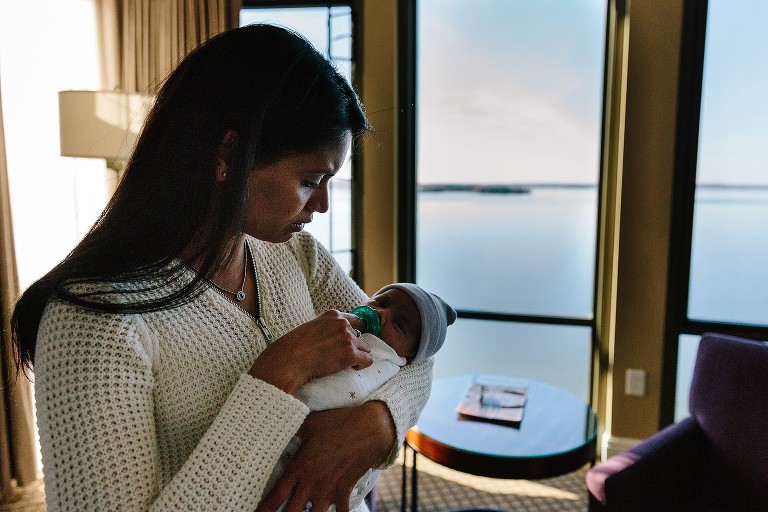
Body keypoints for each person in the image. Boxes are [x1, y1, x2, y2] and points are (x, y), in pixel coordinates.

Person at [10, 24, 433, 512]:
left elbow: (417, 346)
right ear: (228, 154)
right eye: (310, 180)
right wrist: (278, 375)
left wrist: (379, 421)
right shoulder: (93, 323)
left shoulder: (298, 255)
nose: (322, 204)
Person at [267, 284, 457, 511]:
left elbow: (425, 365)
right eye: (380, 302)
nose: (380, 313)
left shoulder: (392, 362)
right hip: (278, 429)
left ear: (410, 354)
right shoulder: (342, 326)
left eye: (399, 324)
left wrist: (377, 421)